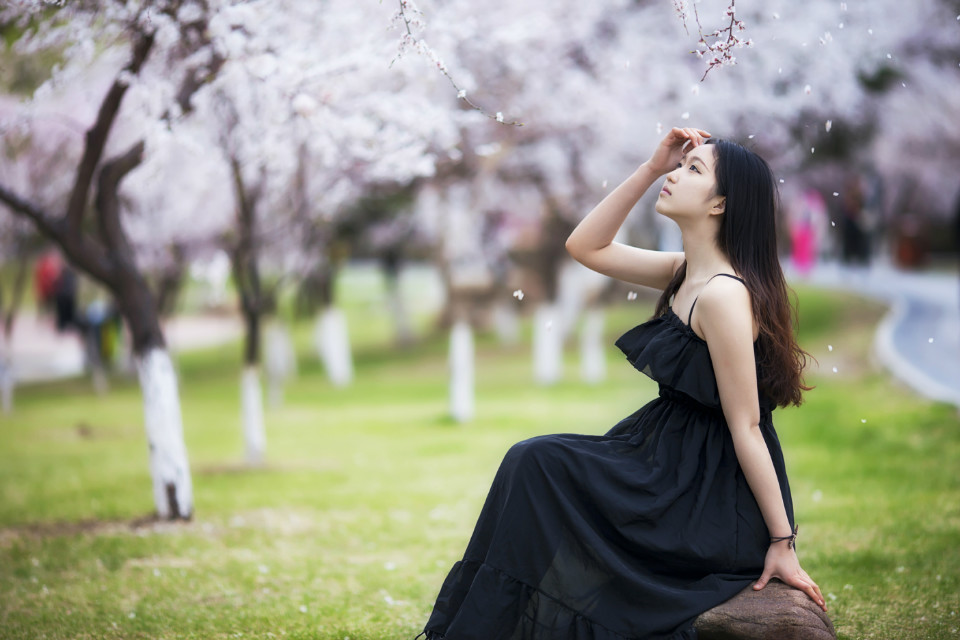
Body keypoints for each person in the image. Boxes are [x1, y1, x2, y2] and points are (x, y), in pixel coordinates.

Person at [418, 128, 827, 640]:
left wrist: (782, 542)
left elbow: (746, 425)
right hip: (663, 459)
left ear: (721, 204)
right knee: (533, 461)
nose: (677, 175)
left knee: (536, 460)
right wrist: (652, 165)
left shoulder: (723, 295)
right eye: (681, 166)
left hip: (702, 491)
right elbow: (585, 246)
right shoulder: (685, 271)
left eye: (693, 170)